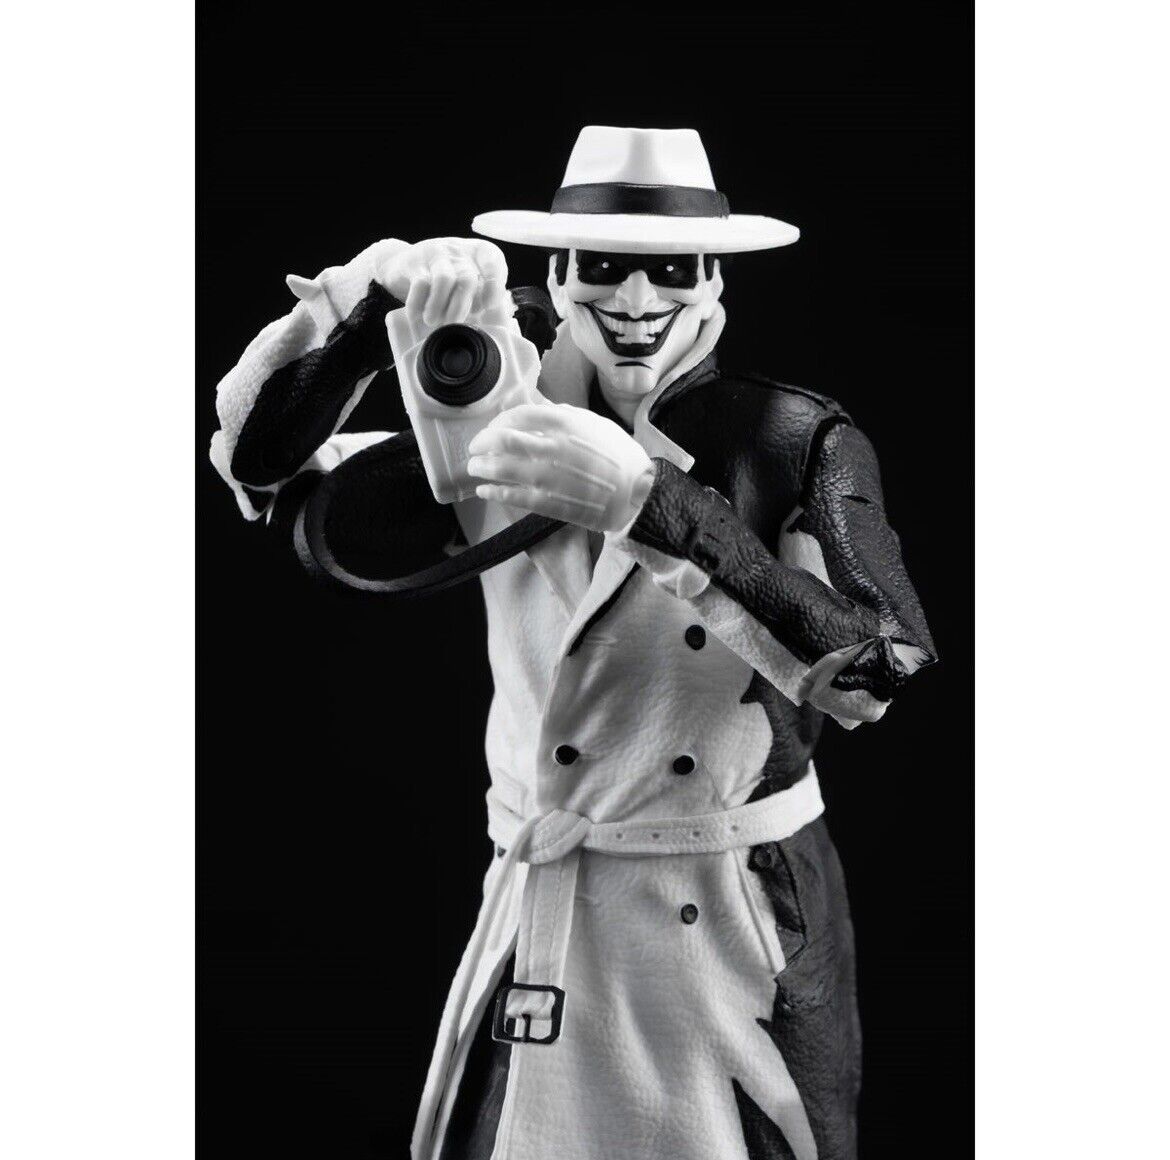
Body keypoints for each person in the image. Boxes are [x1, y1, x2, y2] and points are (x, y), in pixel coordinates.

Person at [211, 126, 935, 1160]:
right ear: (557, 272)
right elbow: (267, 479)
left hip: (730, 907)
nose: (635, 301)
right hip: (545, 890)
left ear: (713, 278)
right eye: (602, 266)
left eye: (669, 270)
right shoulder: (490, 411)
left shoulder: (787, 436)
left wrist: (655, 507)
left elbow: (877, 668)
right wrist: (365, 310)